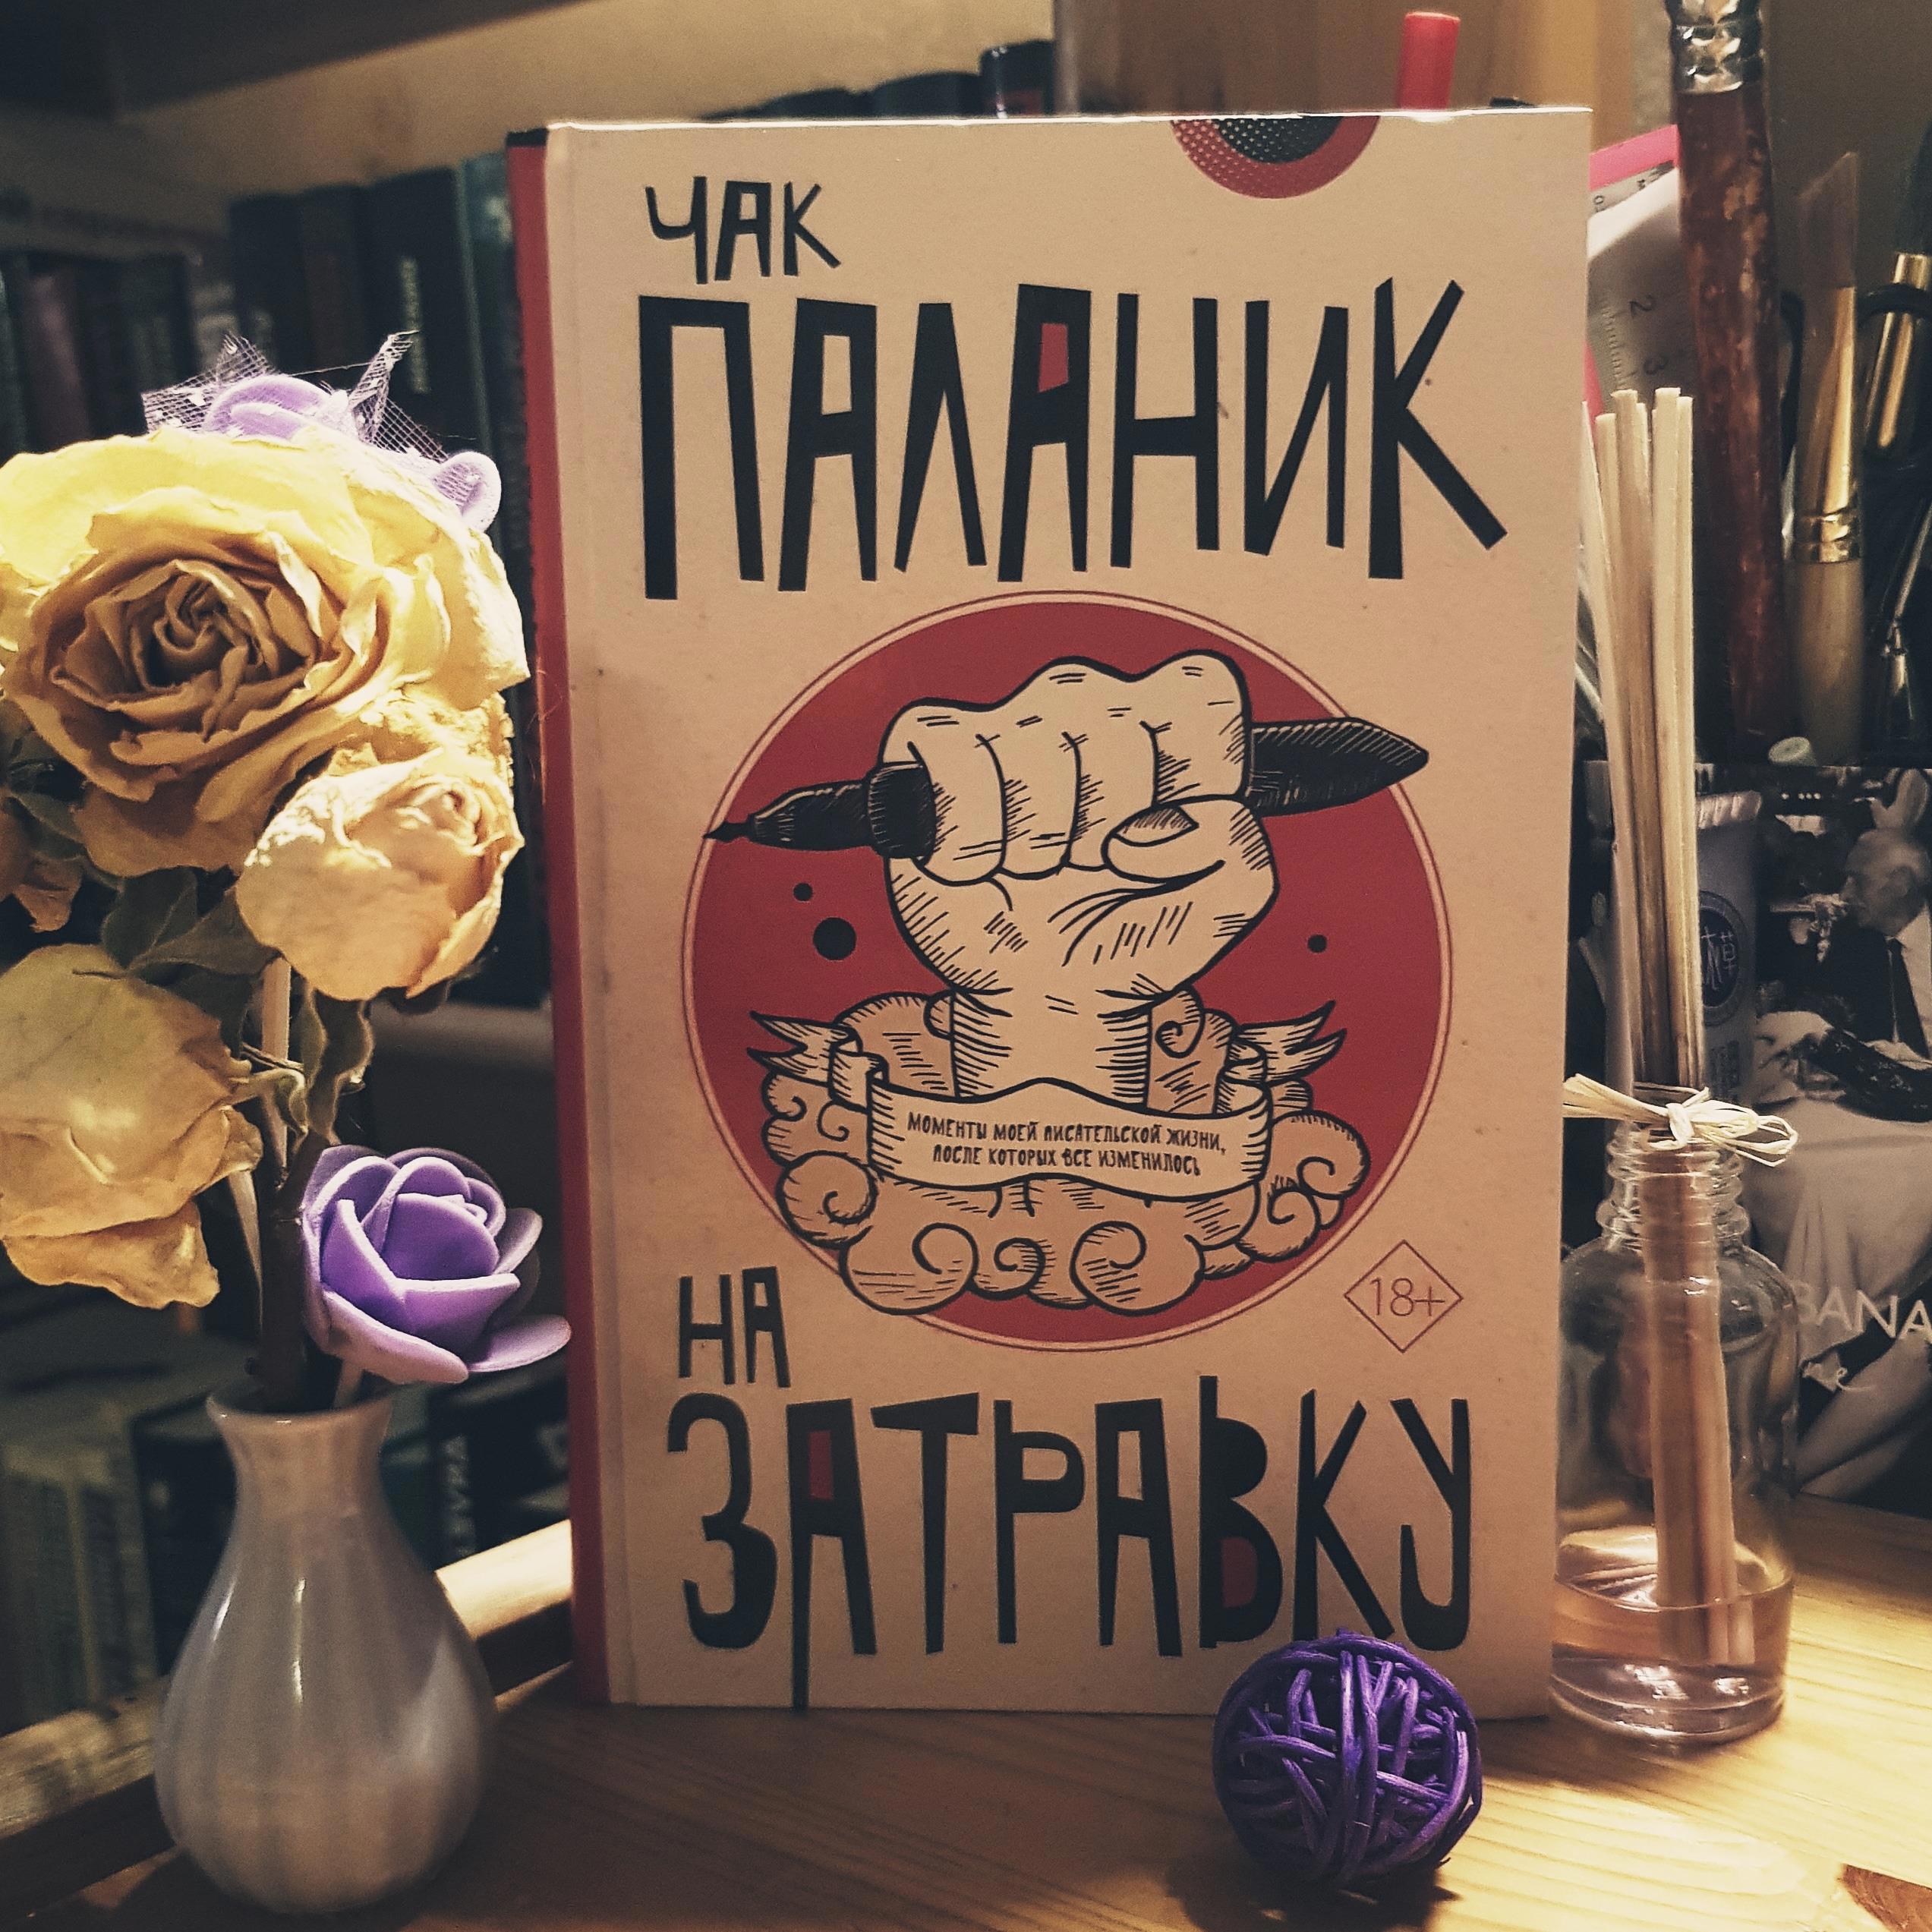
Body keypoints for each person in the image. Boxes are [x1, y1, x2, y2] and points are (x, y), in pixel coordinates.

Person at [1778, 829, 1932, 1051]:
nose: (1845, 895)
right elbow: (1816, 1011)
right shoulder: (1850, 942)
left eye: (1858, 881)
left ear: (1901, 882)